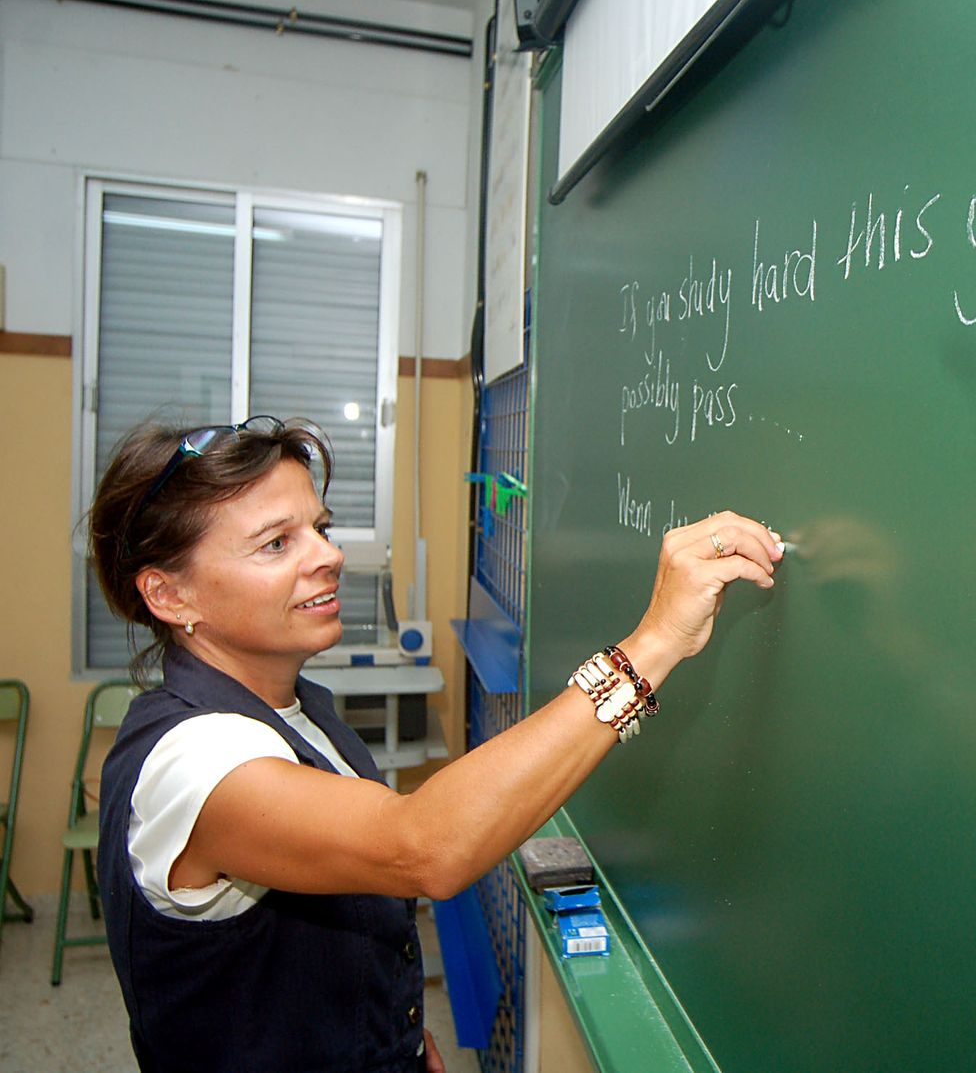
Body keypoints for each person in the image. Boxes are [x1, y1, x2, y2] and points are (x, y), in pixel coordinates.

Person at [88, 415, 782, 1072]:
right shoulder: (193, 763)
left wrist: (399, 1037)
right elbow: (423, 847)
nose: (328, 556)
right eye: (277, 543)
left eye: (319, 529)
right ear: (170, 597)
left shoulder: (297, 709)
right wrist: (654, 643)